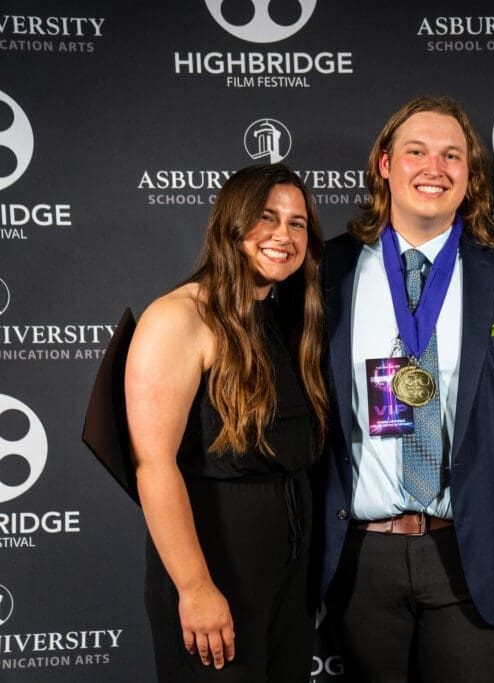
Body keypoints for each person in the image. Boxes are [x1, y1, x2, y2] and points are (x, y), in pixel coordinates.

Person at [316, 95, 494, 682]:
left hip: (472, 548)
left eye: (451, 155)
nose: (433, 168)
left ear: (470, 175)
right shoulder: (328, 269)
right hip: (363, 557)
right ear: (385, 164)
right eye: (416, 151)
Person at [126, 163, 328, 681]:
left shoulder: (283, 319)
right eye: (267, 217)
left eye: (297, 222)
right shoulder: (178, 317)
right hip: (217, 564)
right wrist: (195, 588)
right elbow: (153, 465)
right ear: (232, 224)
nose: (284, 235)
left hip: (289, 571)